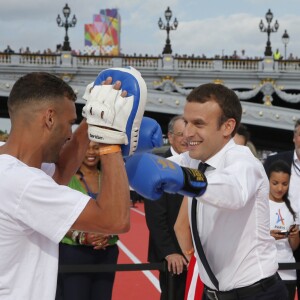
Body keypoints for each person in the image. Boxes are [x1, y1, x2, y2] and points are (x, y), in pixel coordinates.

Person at [127, 83, 289, 299]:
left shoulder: (244, 161)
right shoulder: (193, 159)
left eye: (199, 124)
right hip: (213, 293)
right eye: (186, 122)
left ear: (227, 126)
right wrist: (118, 150)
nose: (188, 132)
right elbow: (139, 173)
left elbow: (234, 192)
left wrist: (185, 179)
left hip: (256, 294)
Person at [0, 69, 146, 299]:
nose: (70, 134)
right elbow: (115, 220)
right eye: (70, 123)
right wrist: (109, 139)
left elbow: (59, 172)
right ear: (49, 118)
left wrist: (93, 119)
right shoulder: (22, 184)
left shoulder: (11, 169)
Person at [56, 141, 119, 300]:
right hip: (74, 253)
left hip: (106, 251)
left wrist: (107, 233)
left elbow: (120, 212)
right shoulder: (65, 178)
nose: (91, 152)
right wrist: (82, 237)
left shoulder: (111, 178)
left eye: (96, 147)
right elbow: (56, 217)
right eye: (86, 147)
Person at [144, 115, 188, 300]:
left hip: (198, 254)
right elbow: (155, 216)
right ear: (170, 137)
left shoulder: (200, 164)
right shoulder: (158, 167)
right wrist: (169, 251)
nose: (187, 138)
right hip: (174, 257)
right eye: (181, 134)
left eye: (190, 134)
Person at [264, 118, 300, 299]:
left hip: (290, 258)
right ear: (294, 137)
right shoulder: (274, 162)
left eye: (284, 184)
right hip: (272, 262)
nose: (280, 187)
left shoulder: (289, 210)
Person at [267, 160, 299, 300]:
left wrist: (294, 235)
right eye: (275, 183)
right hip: (265, 272)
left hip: (288, 272)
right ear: (267, 180)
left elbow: (294, 246)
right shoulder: (259, 204)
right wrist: (268, 235)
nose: (280, 188)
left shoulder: (293, 208)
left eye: (284, 184)